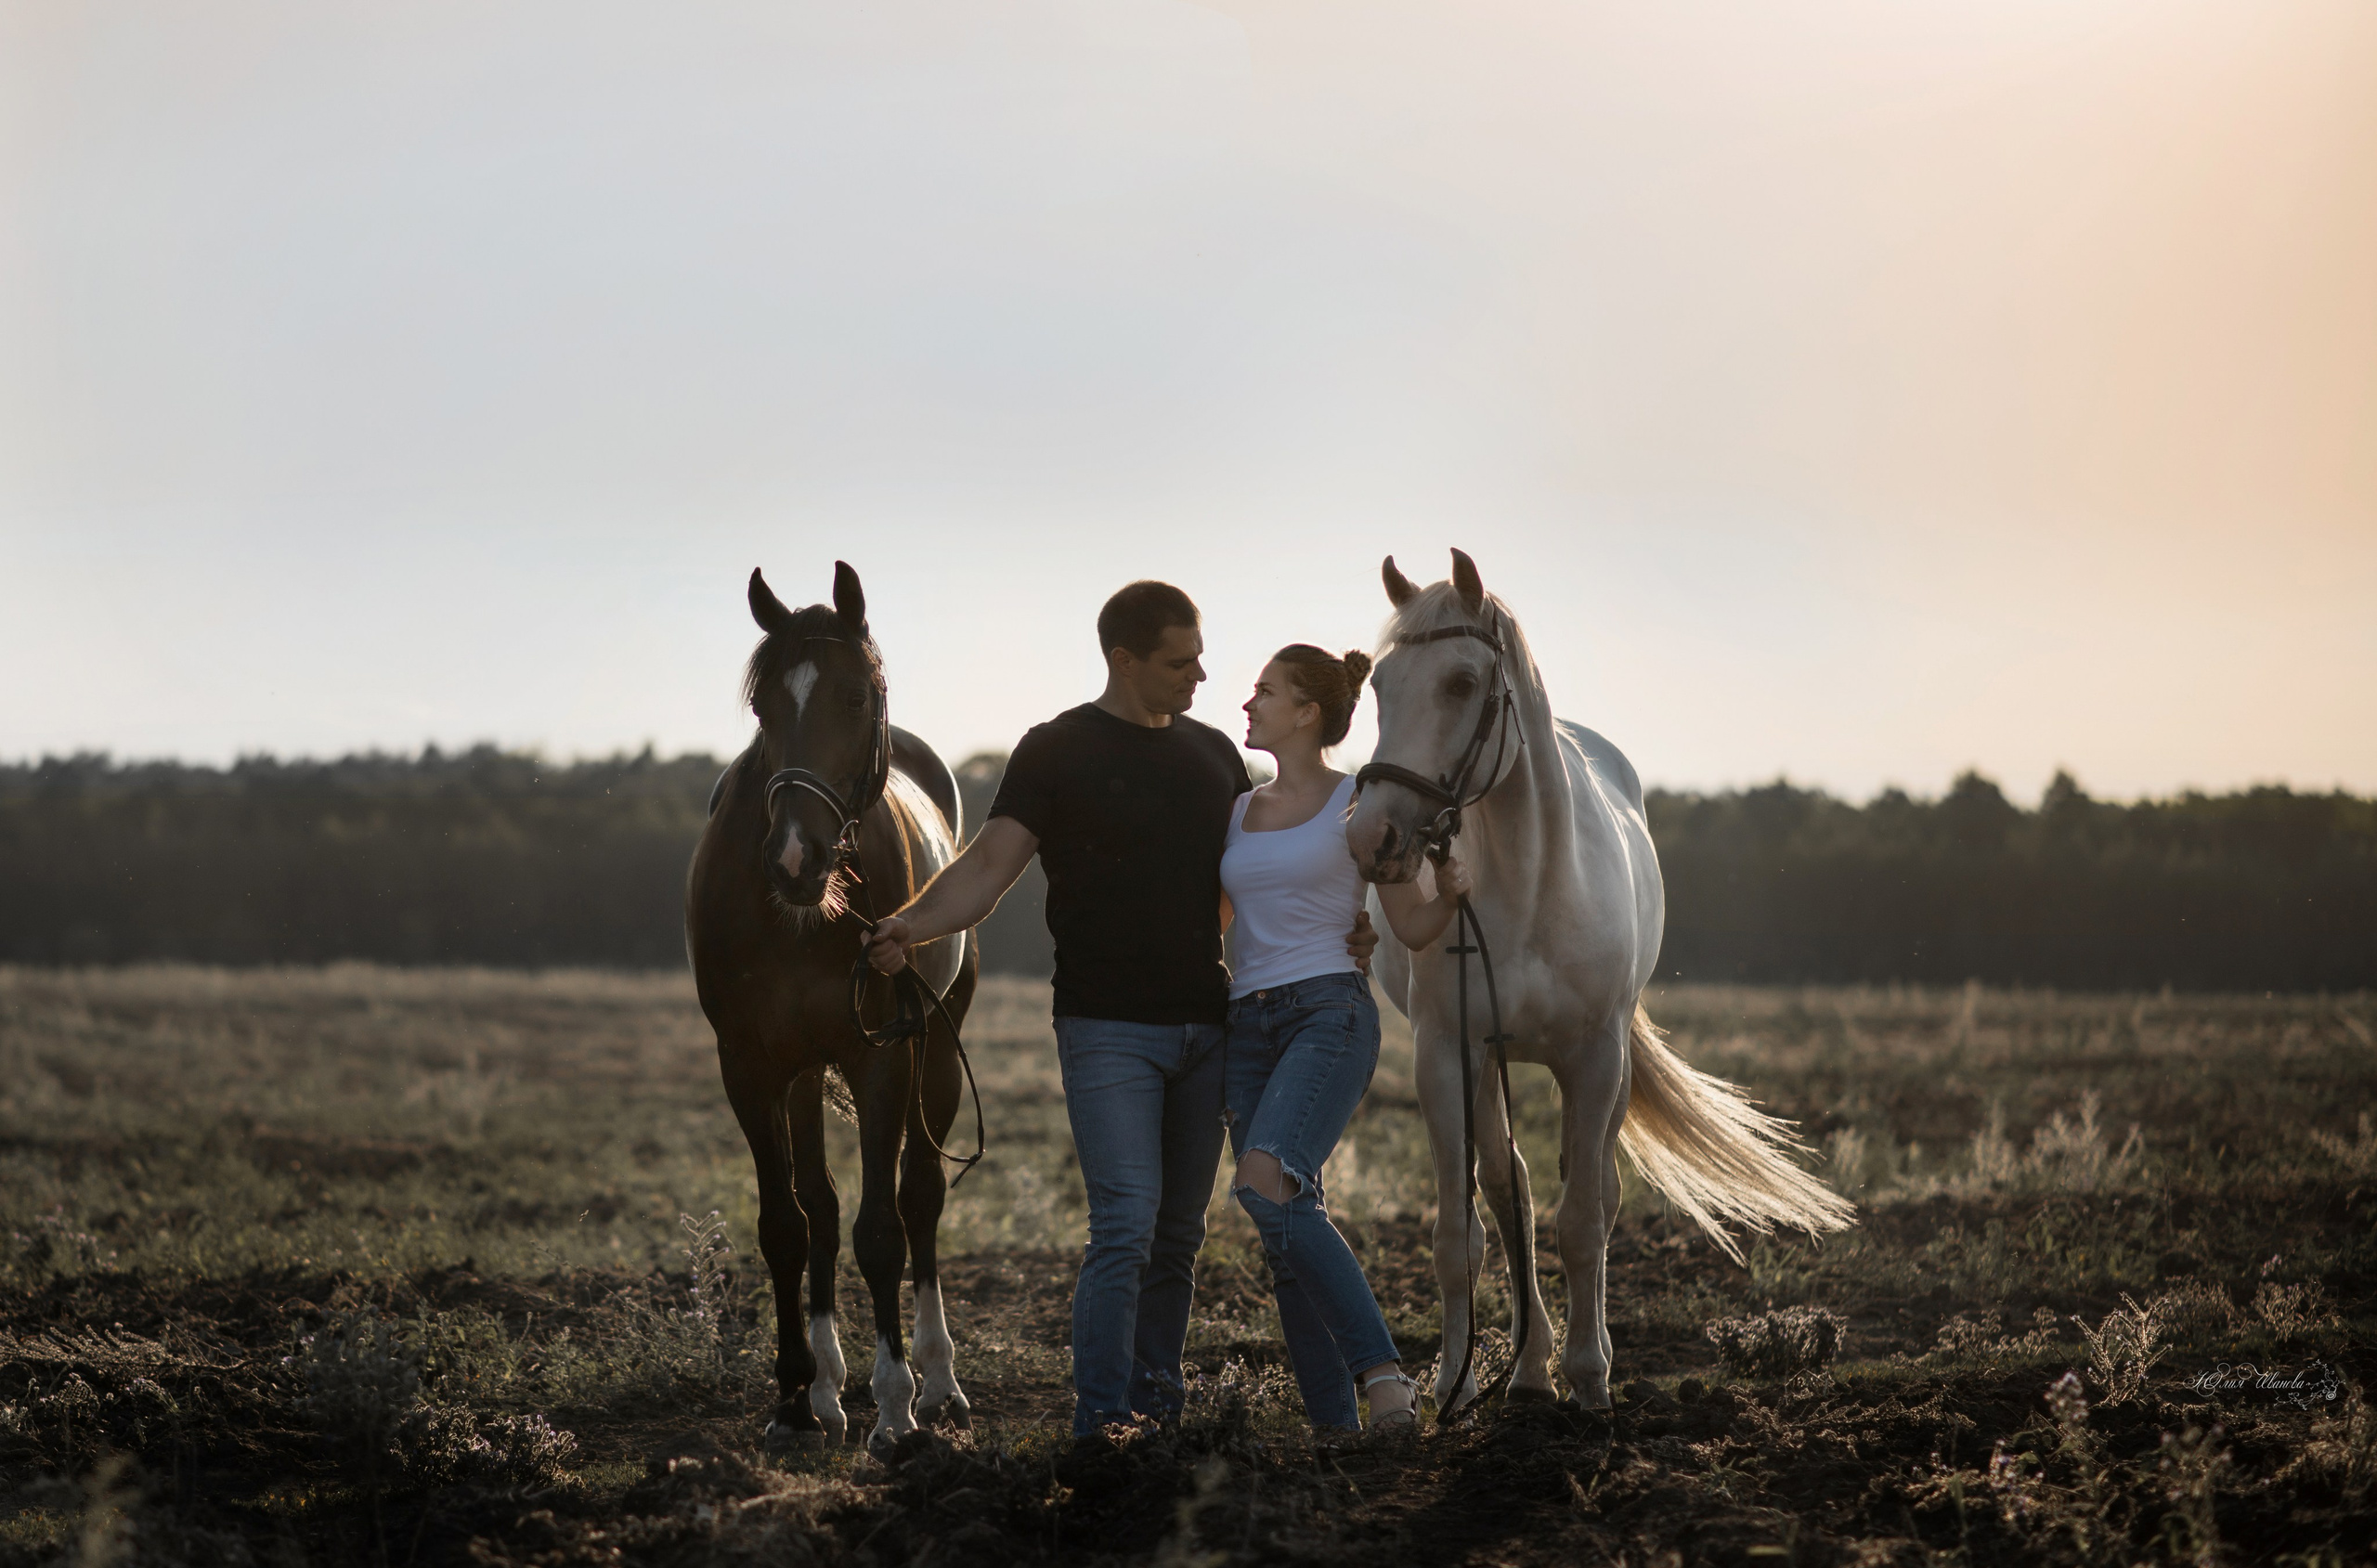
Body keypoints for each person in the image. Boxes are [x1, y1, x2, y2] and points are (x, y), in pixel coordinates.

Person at [864, 581, 1378, 1440]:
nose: (1202, 676)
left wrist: (1347, 928)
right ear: (1123, 659)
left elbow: (1257, 878)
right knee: (1126, 1227)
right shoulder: (1055, 750)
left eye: (1202, 657)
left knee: (1178, 1237)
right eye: (1181, 662)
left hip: (1210, 1027)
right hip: (1106, 1030)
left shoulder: (1217, 757)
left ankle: (1158, 1414)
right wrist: (912, 924)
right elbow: (990, 865)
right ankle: (1101, 1425)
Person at [1219, 644, 1472, 1433]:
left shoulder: (1359, 806)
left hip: (1329, 1012)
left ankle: (1383, 1373)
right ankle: (1336, 1429)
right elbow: (1232, 917)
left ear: (1306, 713)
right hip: (1246, 1023)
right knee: (1285, 1226)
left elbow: (1413, 925)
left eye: (1265, 690)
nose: (1249, 700)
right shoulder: (1237, 807)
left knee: (1264, 1183)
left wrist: (1452, 896)